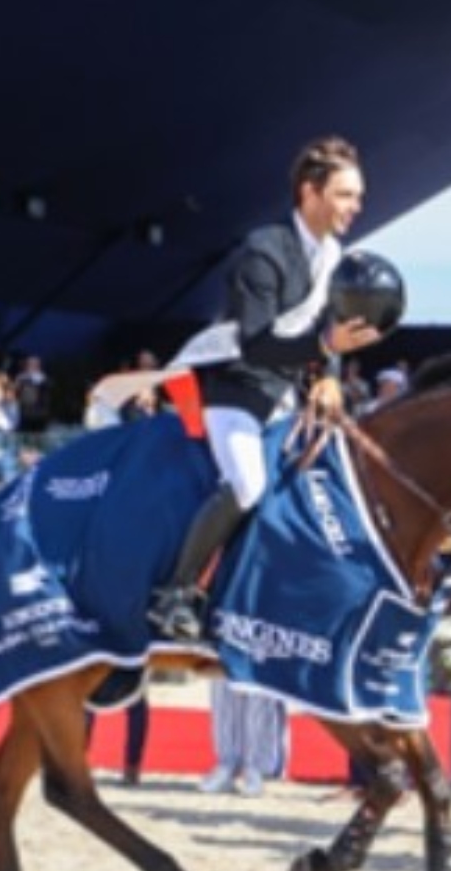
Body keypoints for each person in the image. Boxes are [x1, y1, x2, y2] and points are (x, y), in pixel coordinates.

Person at [138, 137, 381, 650]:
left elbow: (328, 328)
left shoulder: (335, 256)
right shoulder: (263, 249)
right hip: (238, 391)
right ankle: (175, 594)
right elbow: (257, 343)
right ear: (309, 192)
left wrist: (331, 372)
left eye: (357, 196)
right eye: (345, 195)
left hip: (286, 395)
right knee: (247, 484)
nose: (355, 207)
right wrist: (323, 347)